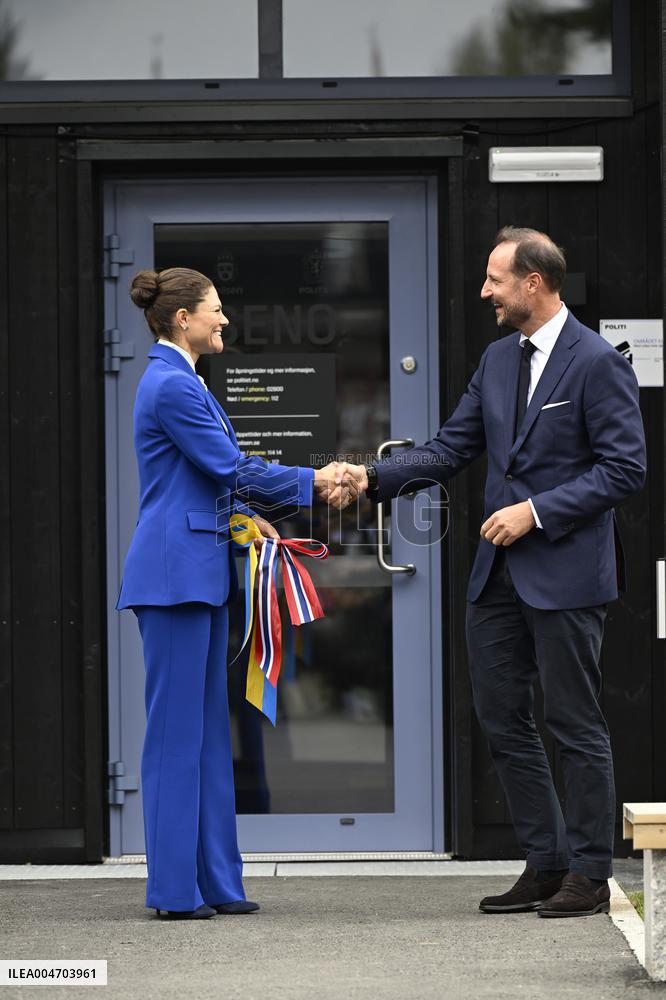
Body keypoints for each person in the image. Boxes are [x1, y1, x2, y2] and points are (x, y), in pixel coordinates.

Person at [336, 227, 646, 918]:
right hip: (497, 577)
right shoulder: (498, 360)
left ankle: (591, 874)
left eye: (494, 279)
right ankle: (547, 862)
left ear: (534, 282)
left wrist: (534, 512)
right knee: (502, 720)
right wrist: (371, 475)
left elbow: (625, 469)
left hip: (565, 573)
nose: (484, 291)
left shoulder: (597, 362)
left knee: (574, 722)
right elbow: (450, 448)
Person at [116, 267, 353, 920]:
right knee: (174, 737)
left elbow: (220, 481)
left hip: (198, 572)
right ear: (182, 318)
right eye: (216, 310)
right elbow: (233, 469)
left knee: (206, 737)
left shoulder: (183, 381)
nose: (225, 320)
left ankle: (217, 882)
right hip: (173, 580)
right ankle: (172, 890)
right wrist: (317, 479)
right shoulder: (171, 385)